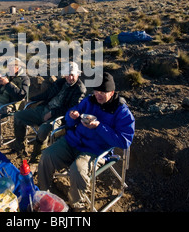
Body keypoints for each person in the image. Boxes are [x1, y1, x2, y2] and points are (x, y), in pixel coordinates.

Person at [37, 72, 135, 211]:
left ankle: (77, 206)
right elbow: (71, 117)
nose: (98, 95)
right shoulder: (89, 100)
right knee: (47, 155)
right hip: (73, 141)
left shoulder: (121, 112)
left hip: (95, 150)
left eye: (103, 92)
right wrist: (73, 116)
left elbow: (125, 141)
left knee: (77, 170)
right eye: (96, 91)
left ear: (112, 92)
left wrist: (99, 127)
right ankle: (43, 192)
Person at [13, 62, 86, 161]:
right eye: (68, 74)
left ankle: (37, 155)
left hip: (59, 117)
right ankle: (20, 147)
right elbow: (46, 94)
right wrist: (32, 99)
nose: (70, 77)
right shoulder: (61, 82)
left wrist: (52, 113)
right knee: (18, 116)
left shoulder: (79, 90)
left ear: (77, 74)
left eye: (72, 75)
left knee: (43, 130)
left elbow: (71, 109)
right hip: (45, 108)